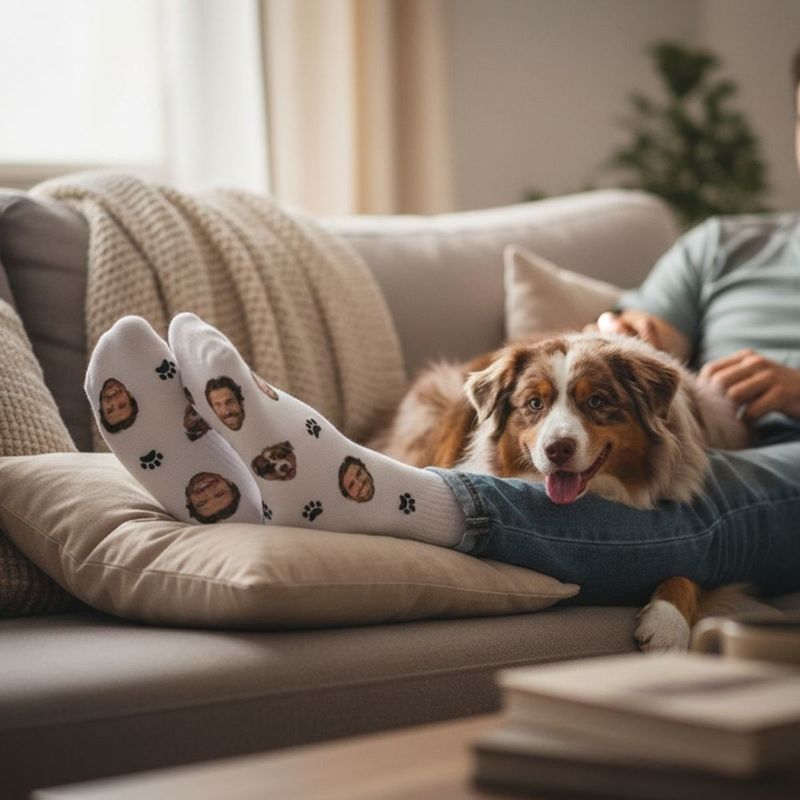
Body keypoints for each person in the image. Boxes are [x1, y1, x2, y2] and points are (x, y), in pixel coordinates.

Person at [85, 52, 800, 607]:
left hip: (778, 460)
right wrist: (631, 331)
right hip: (719, 432)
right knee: (653, 487)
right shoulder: (724, 246)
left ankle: (379, 497)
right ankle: (257, 493)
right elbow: (630, 345)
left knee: (713, 500)